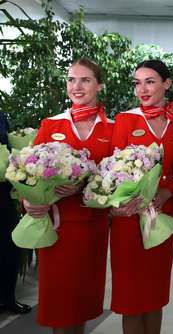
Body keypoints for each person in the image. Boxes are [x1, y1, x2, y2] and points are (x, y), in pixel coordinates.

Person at [23, 58, 113, 334]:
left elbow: (115, 178)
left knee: (83, 300)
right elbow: (28, 173)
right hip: (57, 229)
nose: (77, 86)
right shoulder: (51, 124)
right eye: (71, 80)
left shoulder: (112, 127)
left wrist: (84, 186)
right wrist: (29, 201)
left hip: (93, 229)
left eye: (85, 80)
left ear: (99, 85)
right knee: (60, 302)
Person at [109, 59, 173, 334]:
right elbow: (113, 170)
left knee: (155, 294)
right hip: (129, 218)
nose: (142, 89)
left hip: (162, 217)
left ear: (166, 84)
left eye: (150, 81)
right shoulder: (125, 120)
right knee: (131, 298)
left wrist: (168, 191)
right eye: (137, 83)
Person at [0, 112, 31, 315]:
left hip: (2, 193)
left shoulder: (0, 116)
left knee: (9, 248)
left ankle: (7, 299)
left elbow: (9, 145)